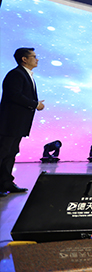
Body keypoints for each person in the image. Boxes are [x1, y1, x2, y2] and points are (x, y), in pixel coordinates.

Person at [0, 48, 45, 196]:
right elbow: (14, 95)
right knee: (3, 152)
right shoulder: (16, 74)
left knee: (11, 152)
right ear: (24, 59)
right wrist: (35, 104)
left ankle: (6, 182)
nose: (37, 59)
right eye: (34, 56)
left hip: (18, 123)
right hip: (9, 122)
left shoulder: (25, 74)